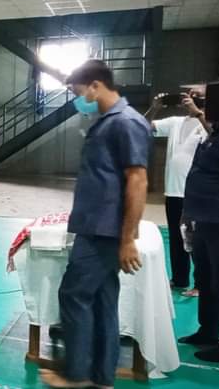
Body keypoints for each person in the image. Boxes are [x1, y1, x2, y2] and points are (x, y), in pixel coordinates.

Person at [40, 60, 152, 388]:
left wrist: (128, 238)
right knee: (103, 300)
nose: (79, 100)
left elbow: (138, 181)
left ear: (95, 86)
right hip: (97, 226)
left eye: (78, 92)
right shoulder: (108, 122)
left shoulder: (125, 123)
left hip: (103, 231)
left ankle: (76, 373)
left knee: (73, 294)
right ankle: (102, 376)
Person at [145, 87, 209, 295]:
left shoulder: (208, 124)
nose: (190, 98)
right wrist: (154, 109)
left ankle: (200, 284)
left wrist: (199, 114)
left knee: (196, 240)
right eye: (188, 95)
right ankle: (180, 279)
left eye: (197, 95)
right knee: (176, 236)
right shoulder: (175, 122)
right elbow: (144, 126)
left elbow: (214, 136)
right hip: (173, 191)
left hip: (193, 192)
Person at [182, 81, 219, 362]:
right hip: (203, 219)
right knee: (206, 278)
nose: (203, 107)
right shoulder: (216, 134)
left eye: (208, 103)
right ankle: (207, 330)